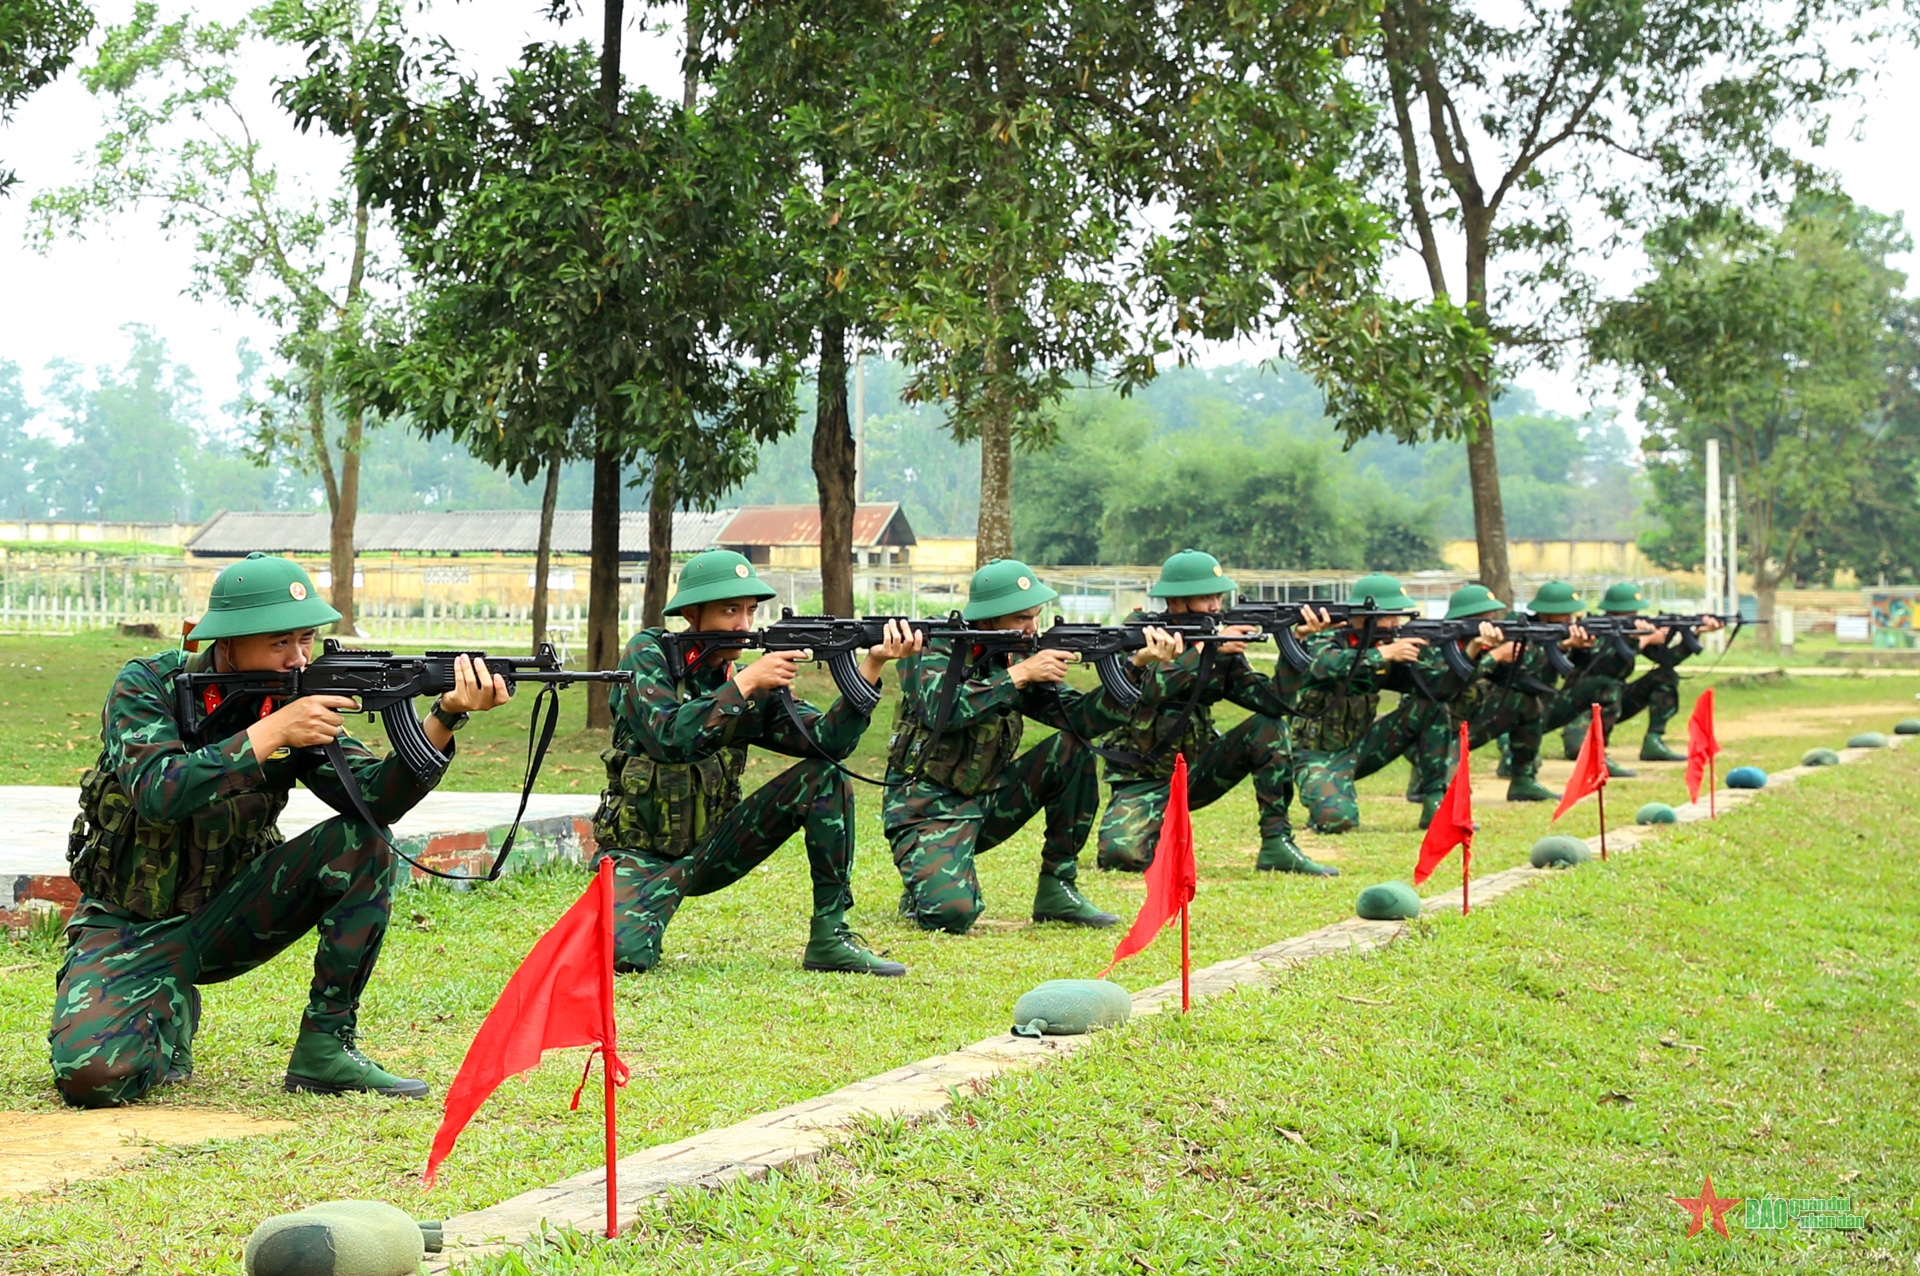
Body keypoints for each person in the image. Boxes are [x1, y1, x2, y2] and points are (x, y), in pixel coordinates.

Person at [50, 553, 513, 1107]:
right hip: (128, 924)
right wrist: (270, 733)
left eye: (307, 639)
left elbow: (373, 801)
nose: (298, 658)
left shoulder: (295, 700)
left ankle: (326, 1047)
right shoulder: (147, 685)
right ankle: (162, 1002)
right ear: (227, 642)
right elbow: (158, 791)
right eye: (279, 642)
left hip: (228, 914)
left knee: (361, 842)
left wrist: (444, 717)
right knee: (93, 1078)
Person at [593, 550, 921, 977]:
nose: (743, 625)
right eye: (730, 610)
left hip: (713, 849)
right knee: (622, 956)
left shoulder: (749, 682)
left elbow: (827, 743)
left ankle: (830, 935)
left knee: (824, 777)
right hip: (640, 855)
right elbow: (669, 739)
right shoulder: (648, 653)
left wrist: (872, 665)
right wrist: (746, 682)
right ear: (692, 613)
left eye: (749, 611)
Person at [884, 558, 1182, 934]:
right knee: (951, 915)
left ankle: (1057, 887)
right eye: (1021, 619)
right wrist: (1020, 674)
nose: (1032, 628)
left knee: (1072, 747)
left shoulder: (1015, 654)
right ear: (989, 618)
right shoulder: (929, 647)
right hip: (925, 808)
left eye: (1036, 616)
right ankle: (923, 884)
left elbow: (1083, 719)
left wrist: (1136, 664)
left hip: (986, 799)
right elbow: (941, 711)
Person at [1094, 549, 1331, 876]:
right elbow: (1146, 692)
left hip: (1196, 773)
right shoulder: (1142, 633)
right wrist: (1205, 650)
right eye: (1206, 597)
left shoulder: (1217, 644)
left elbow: (1273, 703)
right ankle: (1155, 826)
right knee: (1122, 857)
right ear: (1176, 602)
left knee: (1269, 726)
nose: (1216, 606)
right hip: (1142, 778)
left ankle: (1277, 841)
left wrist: (1297, 643)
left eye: (1218, 596)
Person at [1279, 573, 1439, 834]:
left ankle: (1435, 799)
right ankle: (1329, 794)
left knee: (1431, 707)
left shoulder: (1385, 645)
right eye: (1390, 616)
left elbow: (1436, 688)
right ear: (1366, 616)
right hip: (1316, 754)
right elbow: (1325, 665)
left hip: (1362, 746)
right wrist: (1383, 654)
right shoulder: (1325, 638)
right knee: (1337, 821)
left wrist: (1469, 654)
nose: (1395, 623)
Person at [1557, 582, 1722, 763]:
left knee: (1665, 676)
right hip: (1581, 705)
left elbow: (1667, 661)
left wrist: (1695, 634)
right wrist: (1644, 639)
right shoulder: (1594, 630)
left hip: (1615, 701)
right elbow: (1605, 665)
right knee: (1577, 750)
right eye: (1629, 612)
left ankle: (1654, 739)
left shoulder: (1633, 631)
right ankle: (1597, 749)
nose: (1635, 615)